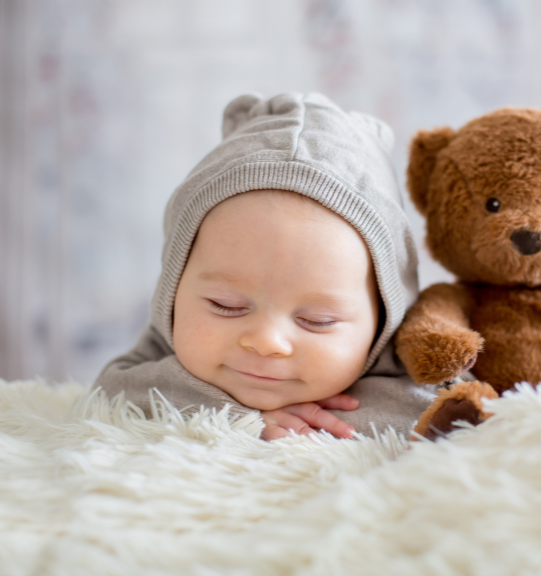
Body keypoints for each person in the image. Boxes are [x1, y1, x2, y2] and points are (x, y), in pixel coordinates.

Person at [93, 92, 434, 440]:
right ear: (175, 287)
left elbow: (444, 410)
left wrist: (326, 418)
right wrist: (241, 416)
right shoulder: (160, 348)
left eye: (317, 321)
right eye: (225, 305)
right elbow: (112, 392)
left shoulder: (414, 358)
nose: (266, 341)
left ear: (383, 316)